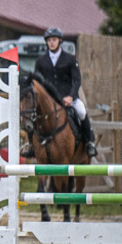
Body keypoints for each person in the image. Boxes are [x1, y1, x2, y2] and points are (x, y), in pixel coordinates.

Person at [29, 27, 97, 157]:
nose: (52, 43)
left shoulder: (70, 59)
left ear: (60, 41)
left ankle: (89, 142)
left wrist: (71, 96)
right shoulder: (41, 61)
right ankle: (32, 146)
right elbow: (37, 81)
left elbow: (76, 80)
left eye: (54, 40)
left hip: (68, 98)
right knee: (34, 115)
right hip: (50, 100)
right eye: (49, 40)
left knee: (81, 111)